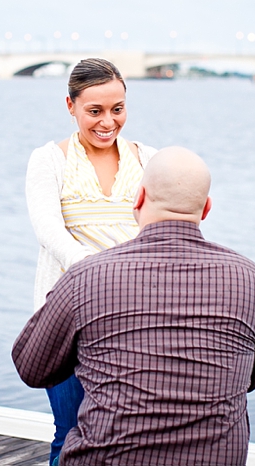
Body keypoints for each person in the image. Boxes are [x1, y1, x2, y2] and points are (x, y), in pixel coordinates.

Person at [13, 147, 255, 466]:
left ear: (138, 198)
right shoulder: (251, 280)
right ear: (206, 208)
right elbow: (253, 376)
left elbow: (31, 367)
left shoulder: (88, 276)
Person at [24, 58, 156, 464]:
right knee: (70, 433)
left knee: (131, 437)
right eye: (94, 111)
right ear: (70, 106)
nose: (107, 121)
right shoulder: (48, 160)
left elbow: (159, 234)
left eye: (117, 109)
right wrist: (99, 275)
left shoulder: (150, 159)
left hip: (131, 322)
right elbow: (49, 232)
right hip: (66, 320)